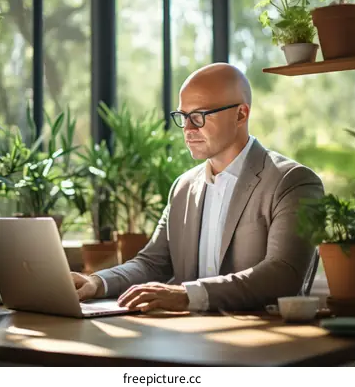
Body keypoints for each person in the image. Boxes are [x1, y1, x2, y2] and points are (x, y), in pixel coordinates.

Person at [72, 63, 324, 312]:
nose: (188, 129)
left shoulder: (293, 181)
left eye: (199, 116)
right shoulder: (182, 187)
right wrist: (97, 282)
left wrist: (188, 295)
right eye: (182, 117)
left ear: (240, 114)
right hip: (190, 340)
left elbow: (283, 274)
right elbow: (152, 263)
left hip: (261, 340)